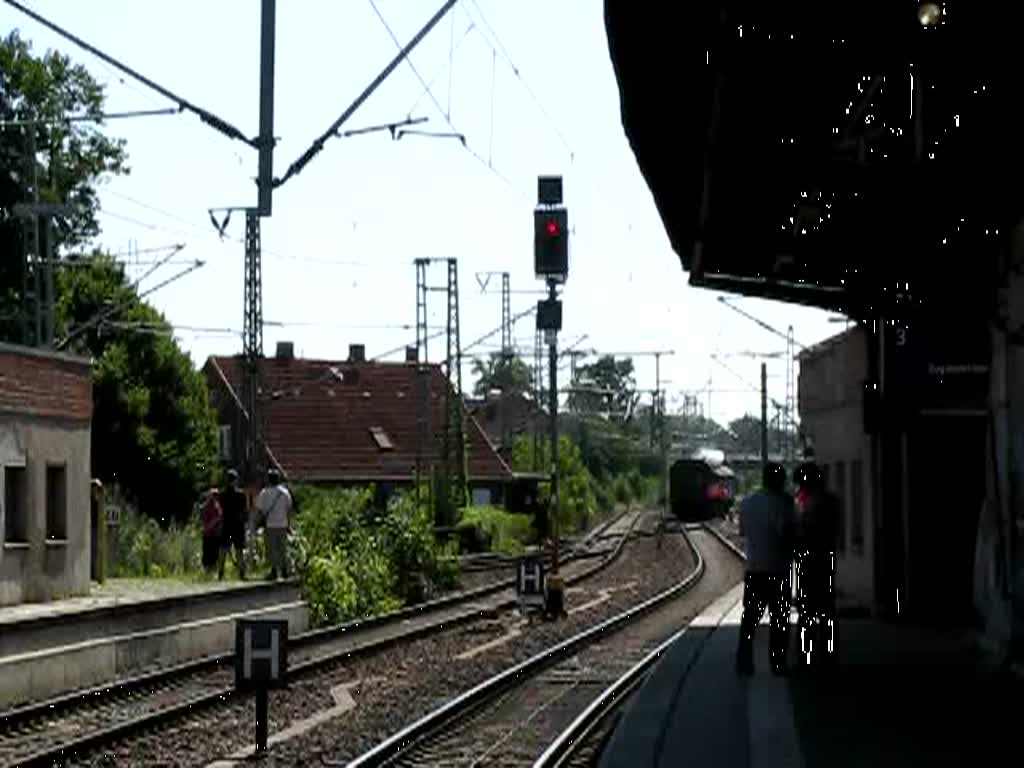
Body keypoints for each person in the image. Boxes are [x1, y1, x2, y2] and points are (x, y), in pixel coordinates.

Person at [736, 462, 797, 676]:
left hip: (754, 570)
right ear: (779, 481)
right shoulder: (781, 504)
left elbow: (743, 532)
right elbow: (786, 534)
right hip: (777, 570)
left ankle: (744, 662)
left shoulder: (747, 503)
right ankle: (777, 663)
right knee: (779, 620)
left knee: (750, 619)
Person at [793, 462, 839, 667]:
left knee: (808, 612)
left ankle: (806, 656)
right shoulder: (830, 501)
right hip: (826, 560)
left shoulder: (813, 505)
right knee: (827, 610)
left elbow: (806, 533)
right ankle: (828, 654)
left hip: (811, 562)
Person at [256, 468, 293, 580]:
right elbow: (289, 509)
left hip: (270, 524)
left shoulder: (264, 493)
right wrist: (289, 524)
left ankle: (274, 571)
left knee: (271, 549)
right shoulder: (285, 493)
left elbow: (260, 509)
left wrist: (258, 522)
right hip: (282, 524)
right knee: (283, 548)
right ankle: (285, 570)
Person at [218, 469, 248, 581]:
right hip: (238, 525)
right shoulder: (241, 495)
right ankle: (241, 573)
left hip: (226, 524)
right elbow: (244, 511)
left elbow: (220, 509)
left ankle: (221, 572)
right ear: (235, 480)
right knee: (239, 550)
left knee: (223, 549)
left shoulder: (222, 495)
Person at [200, 485, 224, 576]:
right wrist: (214, 522)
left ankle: (212, 572)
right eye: (214, 494)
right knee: (207, 554)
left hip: (215, 534)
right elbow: (205, 521)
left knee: (214, 554)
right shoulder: (206, 506)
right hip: (208, 534)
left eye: (217, 494)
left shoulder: (218, 506)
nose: (215, 496)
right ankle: (207, 572)